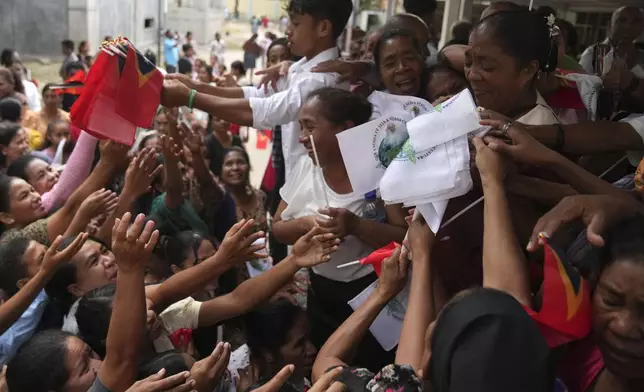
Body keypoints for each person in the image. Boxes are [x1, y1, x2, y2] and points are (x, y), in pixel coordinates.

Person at [273, 88, 407, 371]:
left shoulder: (379, 170)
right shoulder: (304, 167)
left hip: (373, 293)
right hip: (322, 295)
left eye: (310, 126)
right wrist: (305, 225)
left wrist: (356, 226)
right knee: (330, 371)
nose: (300, 137)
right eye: (300, 127)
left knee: (374, 369)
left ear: (345, 129)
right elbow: (277, 228)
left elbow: (404, 236)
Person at [162, 0, 354, 178]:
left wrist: (190, 97)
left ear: (322, 28)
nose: (287, 31)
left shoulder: (321, 80)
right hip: (296, 179)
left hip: (315, 188)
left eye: (295, 24)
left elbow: (264, 110)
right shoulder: (301, 67)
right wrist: (196, 86)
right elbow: (257, 94)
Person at [229, 299, 317, 392]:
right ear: (267, 354)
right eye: (299, 344)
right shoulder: (228, 382)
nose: (313, 350)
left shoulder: (293, 371)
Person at [579, 6, 644, 78]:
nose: (628, 26)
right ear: (610, 24)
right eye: (622, 20)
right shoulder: (593, 53)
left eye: (636, 21)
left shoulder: (640, 56)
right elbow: (582, 84)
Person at [221, 148, 268, 234]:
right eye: (229, 164)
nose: (235, 168)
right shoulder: (219, 199)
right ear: (221, 170)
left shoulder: (260, 197)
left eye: (240, 162)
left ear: (248, 166)